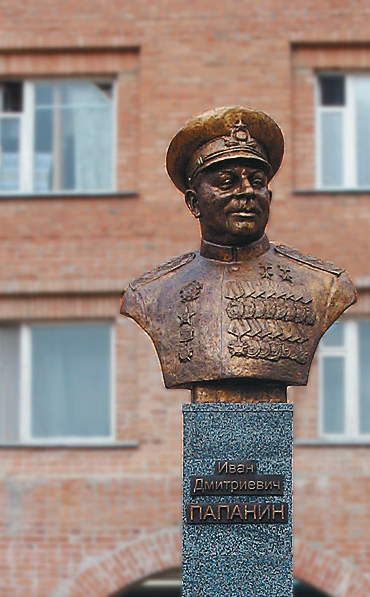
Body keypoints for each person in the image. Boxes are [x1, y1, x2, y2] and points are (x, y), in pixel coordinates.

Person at [121, 106, 357, 400]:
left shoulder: (324, 284)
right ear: (194, 203)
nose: (246, 192)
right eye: (227, 182)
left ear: (269, 197)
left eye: (257, 182)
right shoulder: (152, 293)